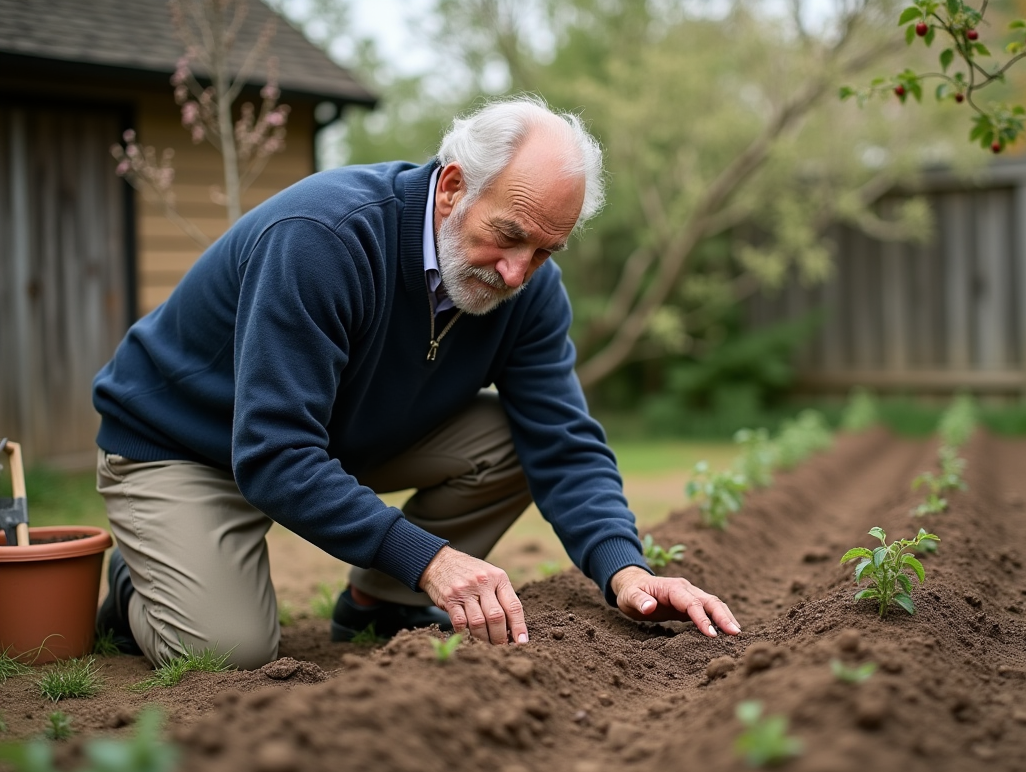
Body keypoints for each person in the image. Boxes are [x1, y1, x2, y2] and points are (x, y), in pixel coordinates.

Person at [92, 96, 740, 670]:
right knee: (225, 652)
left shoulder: (530, 291)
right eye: (509, 236)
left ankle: (381, 604)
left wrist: (626, 570)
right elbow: (274, 452)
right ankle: (137, 582)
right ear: (454, 186)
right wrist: (433, 559)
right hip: (183, 446)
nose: (518, 274)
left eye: (545, 251)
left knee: (514, 436)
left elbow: (563, 441)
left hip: (332, 438)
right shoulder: (323, 241)